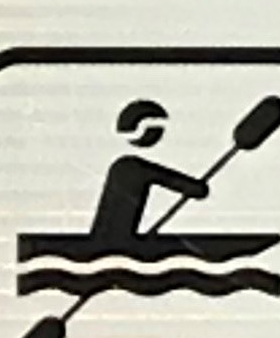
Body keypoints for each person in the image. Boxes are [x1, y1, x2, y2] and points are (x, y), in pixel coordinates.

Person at [82, 99, 211, 249]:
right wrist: (195, 188)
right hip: (118, 242)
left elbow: (183, 185)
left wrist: (194, 188)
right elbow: (186, 185)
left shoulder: (124, 166)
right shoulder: (129, 168)